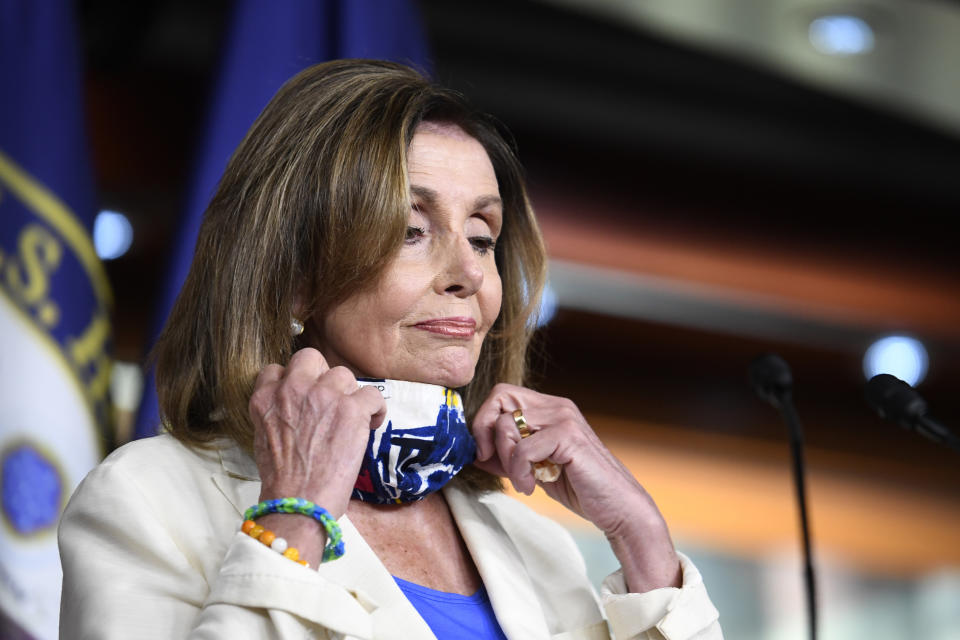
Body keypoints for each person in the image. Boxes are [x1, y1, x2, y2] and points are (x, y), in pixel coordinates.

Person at [58, 59, 722, 639]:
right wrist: (295, 515)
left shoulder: (535, 543)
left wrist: (641, 538)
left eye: (483, 237)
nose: (468, 273)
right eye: (411, 230)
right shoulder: (148, 498)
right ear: (295, 280)